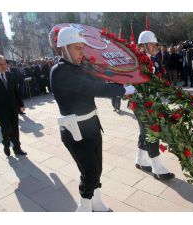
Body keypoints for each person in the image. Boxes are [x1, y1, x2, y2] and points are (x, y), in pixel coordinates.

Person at [50, 27, 135, 212]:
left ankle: (96, 202)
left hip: (91, 126)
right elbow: (92, 88)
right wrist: (122, 90)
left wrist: (124, 78)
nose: (82, 52)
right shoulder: (60, 71)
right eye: (77, 48)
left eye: (82, 48)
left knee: (97, 169)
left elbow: (101, 81)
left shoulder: (79, 67)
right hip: (75, 131)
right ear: (63, 49)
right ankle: (84, 207)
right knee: (89, 172)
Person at [134, 30, 174, 181]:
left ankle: (139, 160)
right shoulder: (136, 63)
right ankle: (157, 167)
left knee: (145, 132)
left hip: (151, 102)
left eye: (155, 44)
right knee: (152, 132)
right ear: (143, 46)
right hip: (141, 104)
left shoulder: (154, 61)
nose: (155, 47)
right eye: (151, 44)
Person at [0, 55, 27, 157]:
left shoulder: (10, 75)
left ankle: (17, 148)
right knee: (7, 129)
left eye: (4, 63)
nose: (3, 66)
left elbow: (16, 91)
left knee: (15, 129)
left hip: (13, 107)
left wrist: (21, 105)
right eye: (0, 64)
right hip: (0, 110)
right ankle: (6, 144)